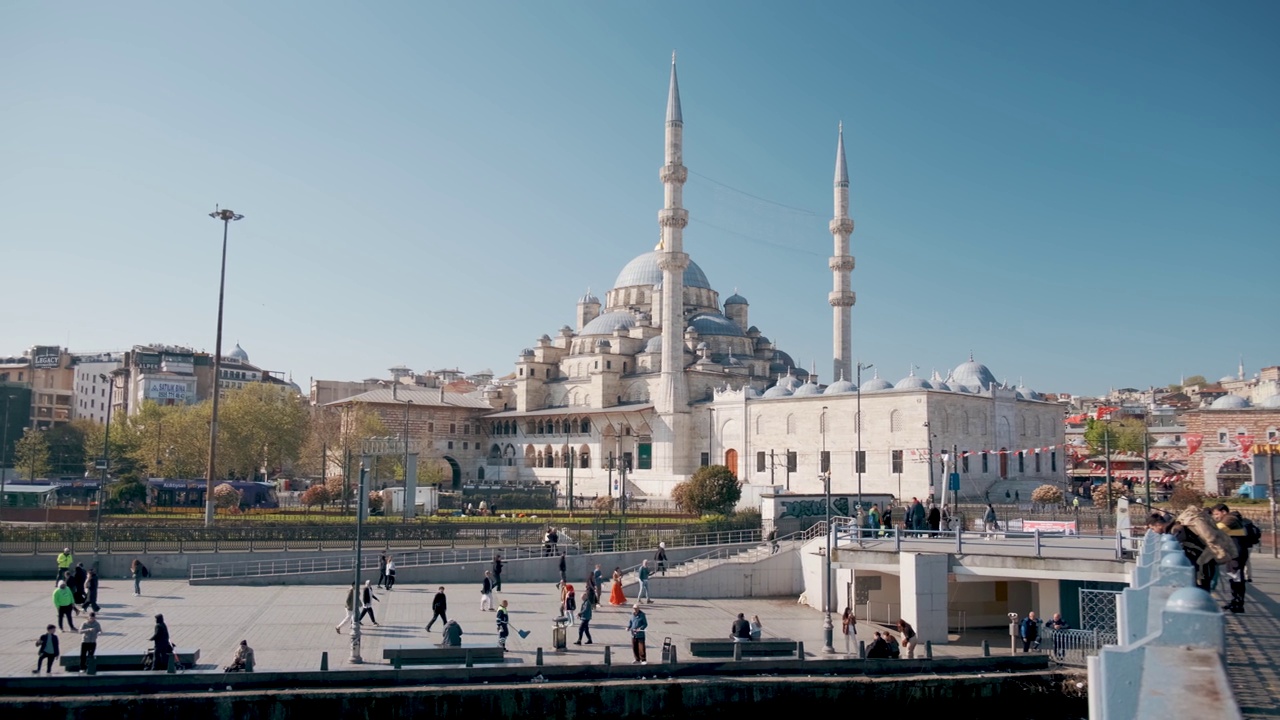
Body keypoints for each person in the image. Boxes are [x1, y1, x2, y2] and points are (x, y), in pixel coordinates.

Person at [1213, 503, 1251, 613]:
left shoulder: (1230, 518)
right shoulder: (1231, 518)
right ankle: (1235, 601)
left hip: (1236, 553)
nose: (1215, 517)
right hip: (1234, 552)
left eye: (1216, 514)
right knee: (1234, 577)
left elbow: (1218, 530)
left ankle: (1238, 603)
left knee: (1237, 577)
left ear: (1224, 512)